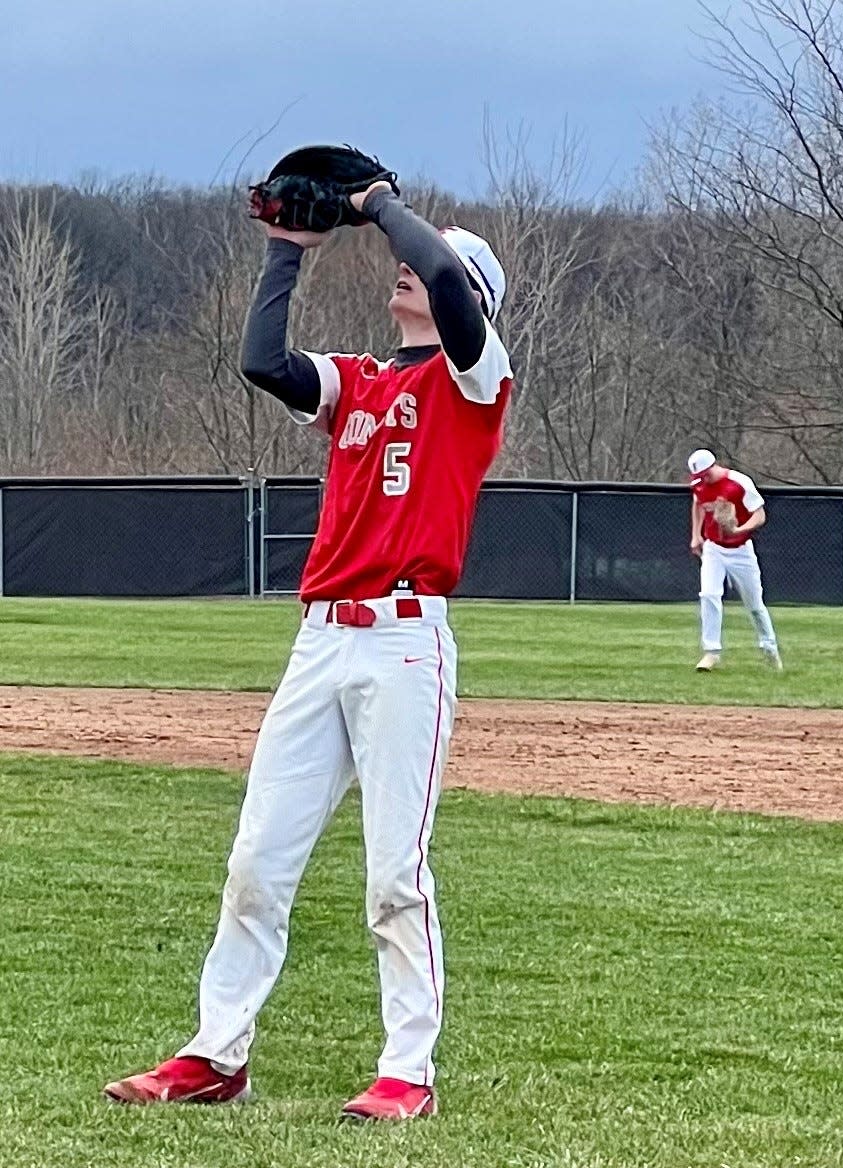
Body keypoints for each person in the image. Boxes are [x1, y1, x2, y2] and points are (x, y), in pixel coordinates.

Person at [103, 181, 512, 1120]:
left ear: (473, 302)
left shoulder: (473, 379)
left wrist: (379, 204)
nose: (409, 264)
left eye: (428, 258)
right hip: (321, 641)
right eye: (407, 252)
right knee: (257, 859)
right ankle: (216, 1054)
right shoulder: (362, 383)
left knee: (393, 876)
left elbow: (447, 278)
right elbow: (262, 361)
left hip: (406, 644)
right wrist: (289, 249)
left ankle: (408, 1071)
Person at [688, 448, 782, 672]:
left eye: (705, 475)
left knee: (755, 605)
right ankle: (711, 653)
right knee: (709, 595)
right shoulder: (699, 485)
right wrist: (696, 534)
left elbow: (760, 515)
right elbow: (697, 503)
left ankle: (770, 649)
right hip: (713, 548)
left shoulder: (739, 483)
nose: (703, 481)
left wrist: (740, 528)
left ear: (713, 466)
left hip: (741, 550)